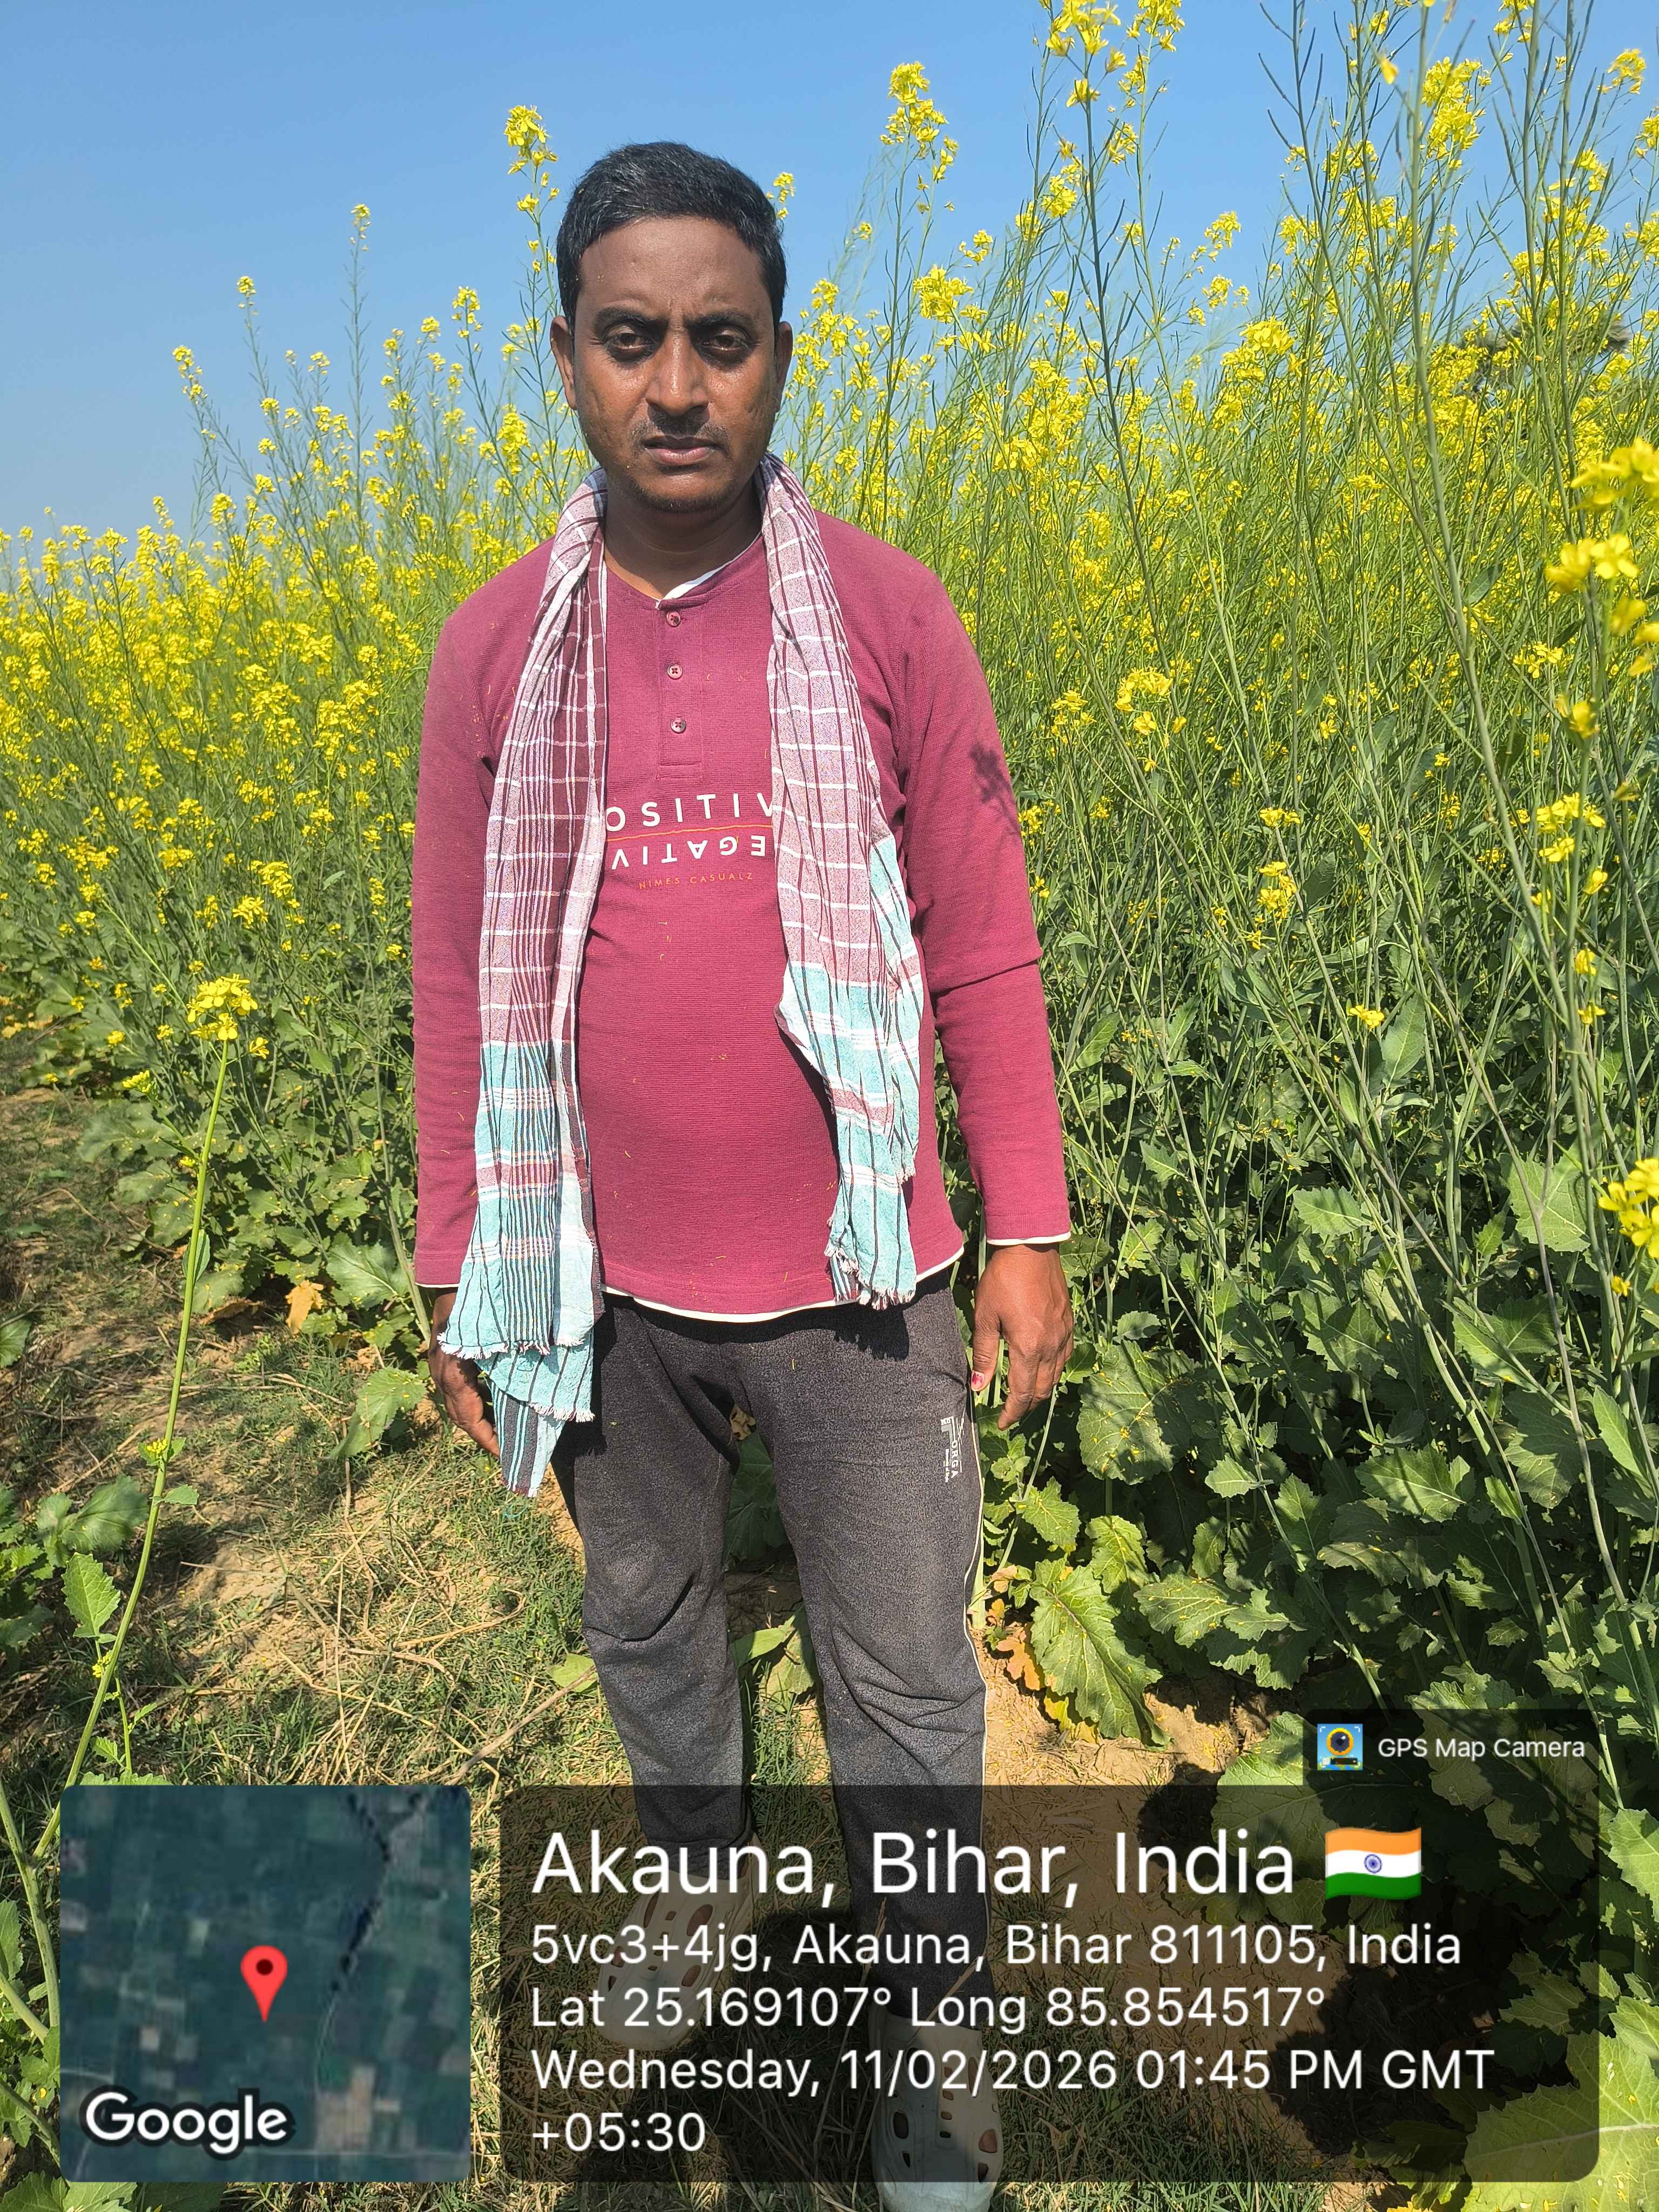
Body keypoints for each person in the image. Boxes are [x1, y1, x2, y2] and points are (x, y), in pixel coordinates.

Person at [412, 140, 1074, 2207]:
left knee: (908, 1677)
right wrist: (458, 1262)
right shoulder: (497, 649)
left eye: (724, 337)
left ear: (785, 354)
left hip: (866, 1284)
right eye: (633, 340)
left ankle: (929, 2049)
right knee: (648, 1629)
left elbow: (980, 930)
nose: (678, 384)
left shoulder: (886, 611)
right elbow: (457, 971)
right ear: (566, 359)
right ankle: (702, 1932)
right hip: (603, 1288)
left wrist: (1028, 1222)